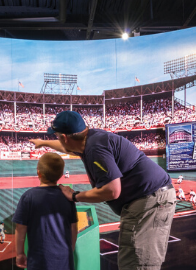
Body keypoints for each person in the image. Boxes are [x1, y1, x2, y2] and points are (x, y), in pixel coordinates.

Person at [31, 111, 175, 270]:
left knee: (137, 264)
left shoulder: (94, 148)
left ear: (65, 137)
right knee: (134, 262)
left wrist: (74, 196)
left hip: (149, 200)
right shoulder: (90, 139)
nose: (58, 139)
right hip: (148, 199)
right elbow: (66, 147)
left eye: (57, 136)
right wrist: (43, 143)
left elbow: (112, 191)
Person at [13, 152, 78, 270]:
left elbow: (20, 228)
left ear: (39, 173)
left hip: (38, 260)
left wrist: (20, 253)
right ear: (61, 174)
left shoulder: (28, 197)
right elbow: (73, 228)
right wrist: (70, 251)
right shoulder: (68, 197)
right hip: (63, 261)